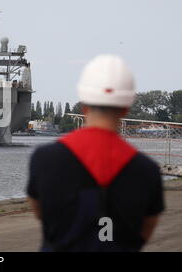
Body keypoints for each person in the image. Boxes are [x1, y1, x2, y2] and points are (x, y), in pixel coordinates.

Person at [27, 55, 164, 252]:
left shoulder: (44, 159)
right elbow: (146, 228)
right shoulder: (147, 171)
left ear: (84, 106)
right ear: (126, 109)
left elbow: (40, 212)